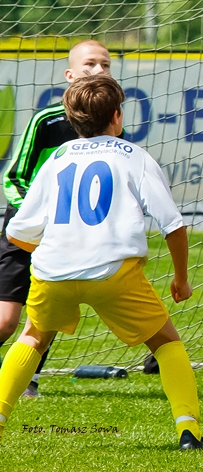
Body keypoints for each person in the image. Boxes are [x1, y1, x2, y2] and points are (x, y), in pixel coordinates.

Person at [0, 74, 203, 450]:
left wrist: (60, 254)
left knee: (33, 336)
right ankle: (189, 433)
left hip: (53, 270)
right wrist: (181, 279)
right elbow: (174, 225)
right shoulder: (134, 156)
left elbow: (18, 233)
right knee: (166, 343)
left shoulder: (57, 158)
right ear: (118, 116)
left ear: (71, 119)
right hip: (114, 272)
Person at [0, 39, 113, 400]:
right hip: (24, 230)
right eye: (90, 65)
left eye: (105, 65)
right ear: (69, 75)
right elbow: (13, 177)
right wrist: (33, 218)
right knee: (5, 320)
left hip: (67, 236)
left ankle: (27, 378)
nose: (98, 71)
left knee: (46, 310)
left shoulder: (111, 125)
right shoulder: (46, 120)